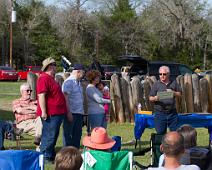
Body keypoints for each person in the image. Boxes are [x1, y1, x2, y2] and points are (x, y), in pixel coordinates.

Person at [36, 57, 67, 163]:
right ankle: (45, 156)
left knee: (53, 135)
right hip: (50, 113)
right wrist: (44, 111)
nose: (55, 67)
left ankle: (50, 154)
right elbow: (41, 96)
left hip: (57, 113)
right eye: (54, 65)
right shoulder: (43, 78)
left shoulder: (51, 78)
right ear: (49, 67)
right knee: (49, 135)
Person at [149, 66, 182, 134]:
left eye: (164, 74)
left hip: (172, 113)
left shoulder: (174, 83)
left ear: (168, 74)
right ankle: (162, 145)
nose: (162, 76)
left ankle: (173, 145)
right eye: (160, 74)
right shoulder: (156, 84)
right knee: (160, 133)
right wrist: (155, 98)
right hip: (160, 113)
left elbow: (180, 94)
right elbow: (150, 98)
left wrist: (174, 93)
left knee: (174, 133)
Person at [62, 64, 85, 148]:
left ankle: (75, 154)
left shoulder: (78, 83)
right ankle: (66, 155)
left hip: (78, 113)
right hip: (71, 112)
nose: (83, 75)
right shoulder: (69, 82)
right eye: (83, 73)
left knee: (77, 135)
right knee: (68, 135)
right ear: (78, 72)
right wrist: (68, 113)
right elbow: (65, 98)